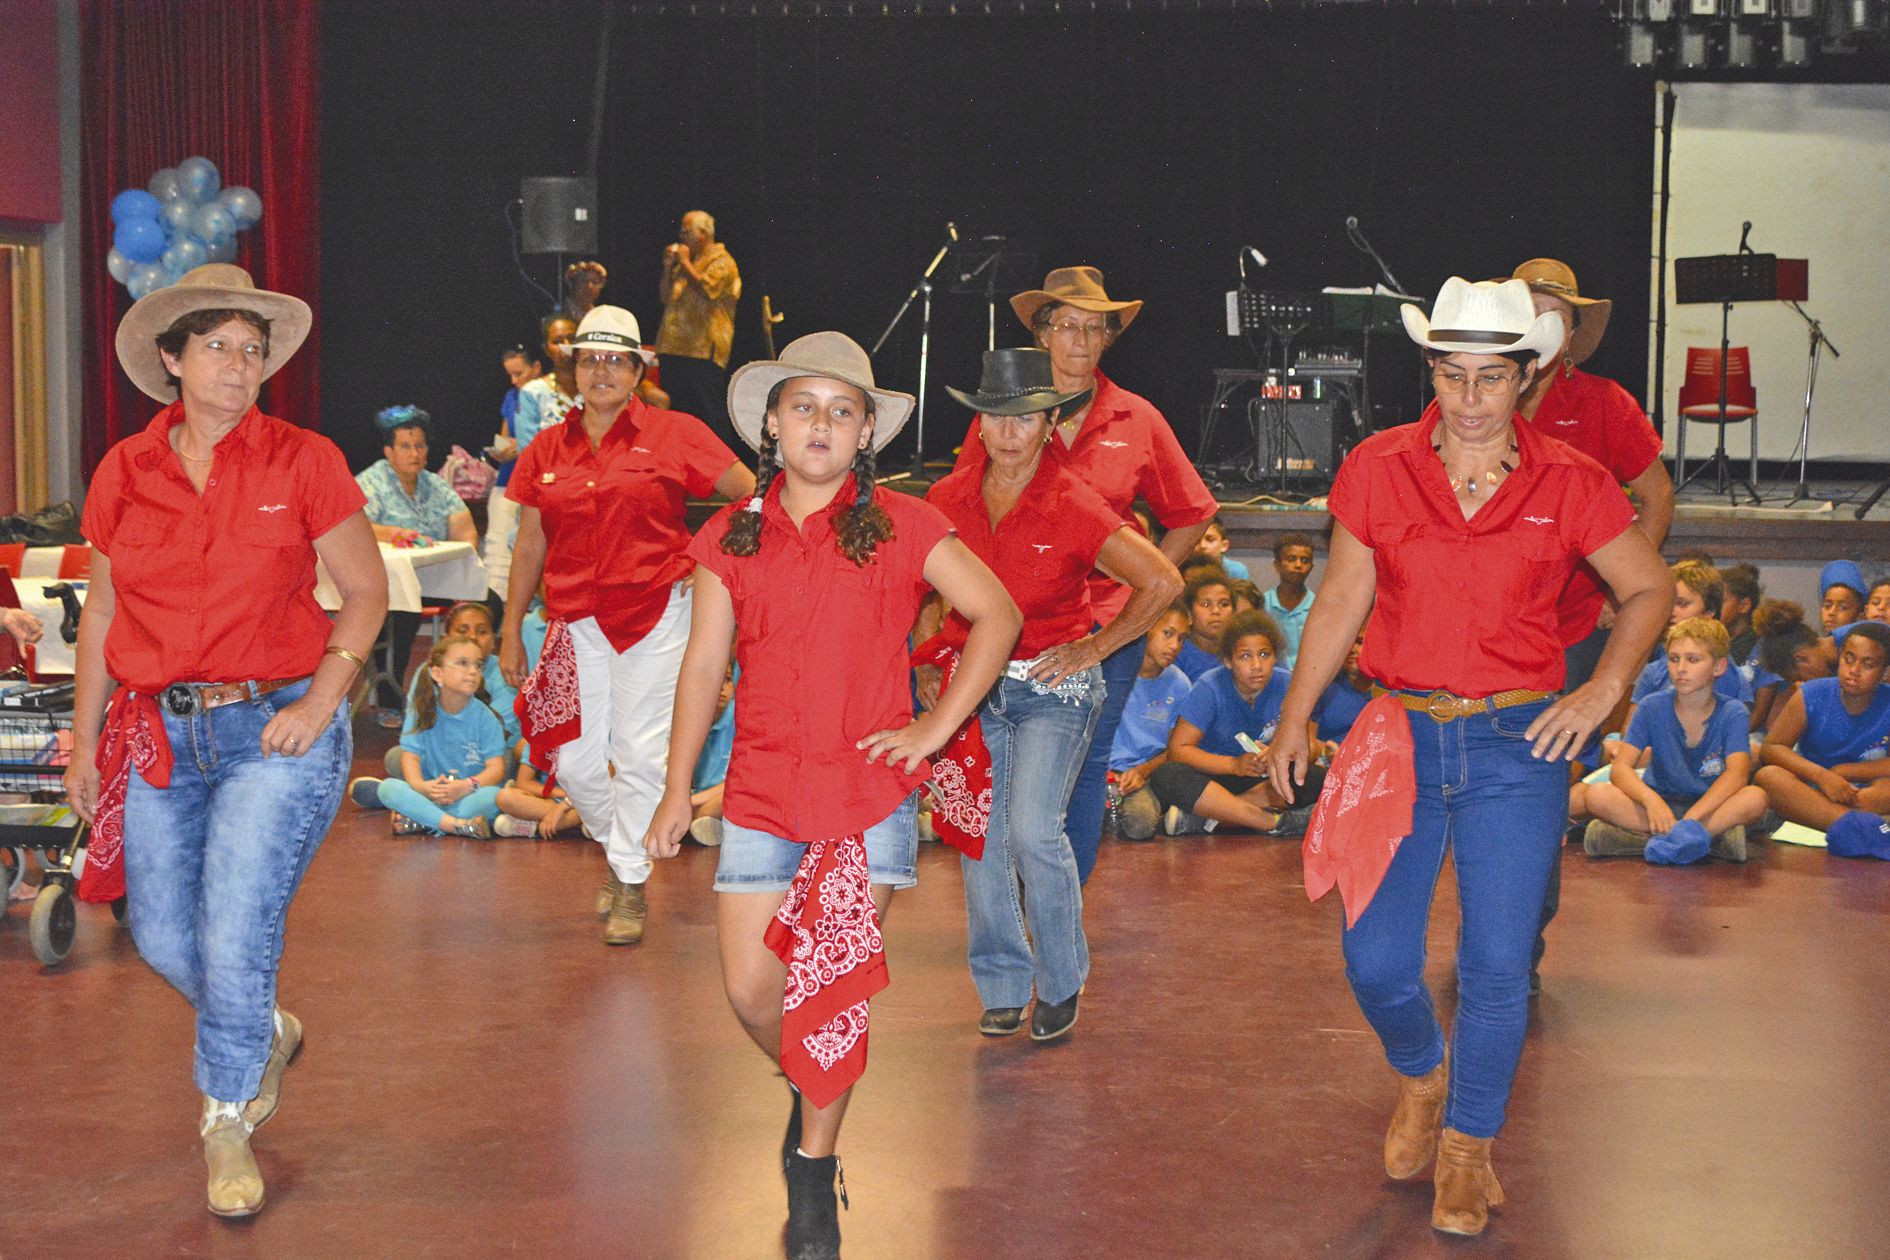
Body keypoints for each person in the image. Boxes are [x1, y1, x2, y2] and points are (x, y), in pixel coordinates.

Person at [1266, 276, 1671, 1238]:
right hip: (1399, 734)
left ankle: (1467, 1148)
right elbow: (1339, 600)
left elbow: (1648, 590)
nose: (1471, 398)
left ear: (1525, 377)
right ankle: (1420, 1074)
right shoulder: (1377, 465)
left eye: (1492, 378)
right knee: (1374, 959)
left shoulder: (1571, 480)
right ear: (1432, 371)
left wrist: (1600, 689)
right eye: (1452, 375)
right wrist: (1293, 715)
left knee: (1496, 965)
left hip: (1518, 743)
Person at [642, 332, 1018, 1260]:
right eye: (803, 406)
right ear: (771, 424)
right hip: (762, 791)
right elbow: (701, 668)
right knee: (750, 989)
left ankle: (813, 1169)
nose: (821, 423)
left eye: (841, 410)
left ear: (864, 436)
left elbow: (998, 616)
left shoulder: (905, 523)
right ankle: (814, 1081)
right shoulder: (728, 535)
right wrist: (673, 790)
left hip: (868, 797)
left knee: (829, 992)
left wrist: (931, 732)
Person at [64, 264, 386, 1217]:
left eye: (254, 350)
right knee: (163, 937)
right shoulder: (124, 470)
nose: (241, 367)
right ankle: (260, 1028)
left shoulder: (304, 459)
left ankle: (225, 1118)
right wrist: (84, 748)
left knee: (237, 925)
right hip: (162, 733)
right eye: (218, 347)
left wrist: (323, 702)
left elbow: (365, 592)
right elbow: (100, 619)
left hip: (278, 729)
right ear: (171, 360)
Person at [923, 348, 1180, 1039]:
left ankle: (1062, 982)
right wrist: (925, 655)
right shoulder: (946, 499)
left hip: (1052, 686)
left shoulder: (1075, 504)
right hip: (974, 687)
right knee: (982, 840)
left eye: (1026, 418)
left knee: (1035, 832)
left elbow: (1162, 581)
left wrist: (1096, 646)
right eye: (995, 418)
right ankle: (1005, 983)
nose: (1009, 432)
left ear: (1049, 425)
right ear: (978, 425)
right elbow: (921, 589)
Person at [953, 266, 1219, 883]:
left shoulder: (1137, 418)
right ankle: (1015, 899)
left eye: (1093, 329)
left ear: (1107, 340)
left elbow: (1192, 512)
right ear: (1041, 334)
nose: (1079, 340)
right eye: (1066, 325)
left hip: (1104, 629)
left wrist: (1145, 582)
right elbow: (959, 507)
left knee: (1083, 764)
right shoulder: (1002, 415)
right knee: (1000, 760)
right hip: (1008, 626)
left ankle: (1060, 907)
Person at [500, 305, 754, 946]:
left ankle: (630, 881)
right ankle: (622, 850)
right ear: (573, 369)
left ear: (640, 369)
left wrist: (709, 567)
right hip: (574, 618)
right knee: (577, 764)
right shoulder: (546, 447)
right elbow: (529, 545)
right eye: (590, 359)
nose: (602, 371)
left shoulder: (675, 432)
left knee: (641, 755)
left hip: (657, 613)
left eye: (617, 359)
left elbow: (748, 495)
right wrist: (508, 631)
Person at [1580, 617, 1766, 863]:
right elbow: (1621, 768)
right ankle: (1708, 841)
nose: (1681, 668)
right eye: (1674, 658)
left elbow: (1737, 774)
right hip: (1659, 805)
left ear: (1719, 667)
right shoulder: (1651, 706)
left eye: (1693, 659)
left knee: (1756, 798)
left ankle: (1646, 840)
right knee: (1597, 795)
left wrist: (1692, 818)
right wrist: (1651, 801)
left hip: (1710, 807)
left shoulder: (1733, 712)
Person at [1137, 609, 1316, 837]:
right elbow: (1178, 751)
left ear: (1275, 657)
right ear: (1228, 661)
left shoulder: (1289, 685)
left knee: (1312, 777)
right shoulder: (1209, 686)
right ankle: (1272, 822)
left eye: (1264, 655)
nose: (1256, 665)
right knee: (1168, 775)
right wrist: (1234, 765)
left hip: (1265, 780)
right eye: (1244, 656)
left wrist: (1279, 753)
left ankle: (1210, 819)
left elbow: (1310, 745)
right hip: (1216, 779)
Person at [356, 404, 477, 724]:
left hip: (436, 580)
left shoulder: (435, 484)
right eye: (406, 446)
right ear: (389, 452)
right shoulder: (371, 481)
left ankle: (476, 692)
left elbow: (465, 529)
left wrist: (465, 561)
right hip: (386, 585)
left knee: (487, 601)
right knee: (402, 611)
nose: (415, 453)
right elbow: (353, 525)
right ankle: (390, 698)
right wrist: (392, 532)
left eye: (420, 445)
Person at [1754, 622, 1890, 837]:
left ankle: (1825, 819)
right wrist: (1823, 777)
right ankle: (1857, 827)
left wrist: (1843, 773)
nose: (1854, 671)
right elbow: (1771, 748)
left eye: (1868, 664)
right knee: (1769, 777)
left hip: (1860, 792)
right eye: (1849, 659)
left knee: (1885, 790)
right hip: (1810, 784)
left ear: (1885, 672)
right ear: (1839, 658)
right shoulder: (1812, 693)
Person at [370, 635, 507, 838]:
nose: (473, 671)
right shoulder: (422, 710)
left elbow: (496, 769)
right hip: (432, 793)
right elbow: (411, 756)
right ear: (437, 673)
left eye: (478, 665)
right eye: (462, 663)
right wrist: (420, 786)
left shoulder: (486, 718)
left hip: (467, 794)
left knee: (495, 796)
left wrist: (466, 786)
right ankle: (455, 825)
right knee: (389, 788)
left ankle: (422, 819)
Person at [655, 210, 742, 449]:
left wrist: (683, 262)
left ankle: (723, 476)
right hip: (673, 348)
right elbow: (665, 296)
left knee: (708, 415)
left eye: (687, 231)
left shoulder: (722, 261)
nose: (682, 236)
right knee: (678, 413)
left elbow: (707, 289)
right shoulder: (687, 262)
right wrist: (667, 268)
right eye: (681, 231)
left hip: (702, 351)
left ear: (703, 234)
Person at [1108, 602, 1193, 821]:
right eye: (1168, 633)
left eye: (1181, 638)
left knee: (1140, 823)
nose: (1174, 645)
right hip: (1102, 771)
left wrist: (1142, 772)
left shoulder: (1180, 685)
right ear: (1146, 628)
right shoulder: (1113, 671)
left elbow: (1176, 749)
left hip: (1144, 774)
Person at [484, 344, 546, 618]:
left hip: (540, 487)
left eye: (519, 373)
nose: (515, 380)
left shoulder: (549, 396)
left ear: (537, 368)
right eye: (510, 375)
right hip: (509, 481)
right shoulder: (512, 396)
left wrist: (523, 446)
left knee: (530, 551)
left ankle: (528, 616)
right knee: (498, 553)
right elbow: (505, 437)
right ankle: (497, 619)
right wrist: (503, 450)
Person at [494, 746, 584, 839]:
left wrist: (563, 806)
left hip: (582, 800)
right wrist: (558, 794)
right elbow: (523, 783)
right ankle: (576, 825)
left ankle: (534, 828)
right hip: (550, 799)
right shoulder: (537, 739)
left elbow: (593, 787)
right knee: (504, 797)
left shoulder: (588, 740)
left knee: (591, 807)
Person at [1263, 533, 1317, 671]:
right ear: (1277, 565)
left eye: (1305, 560)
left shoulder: (1318, 607)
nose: (1298, 565)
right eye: (1291, 559)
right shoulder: (1263, 604)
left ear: (1311, 567)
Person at [1175, 568, 1234, 681]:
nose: (1216, 611)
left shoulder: (1239, 651)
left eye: (1224, 604)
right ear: (1190, 614)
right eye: (1206, 604)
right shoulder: (1177, 651)